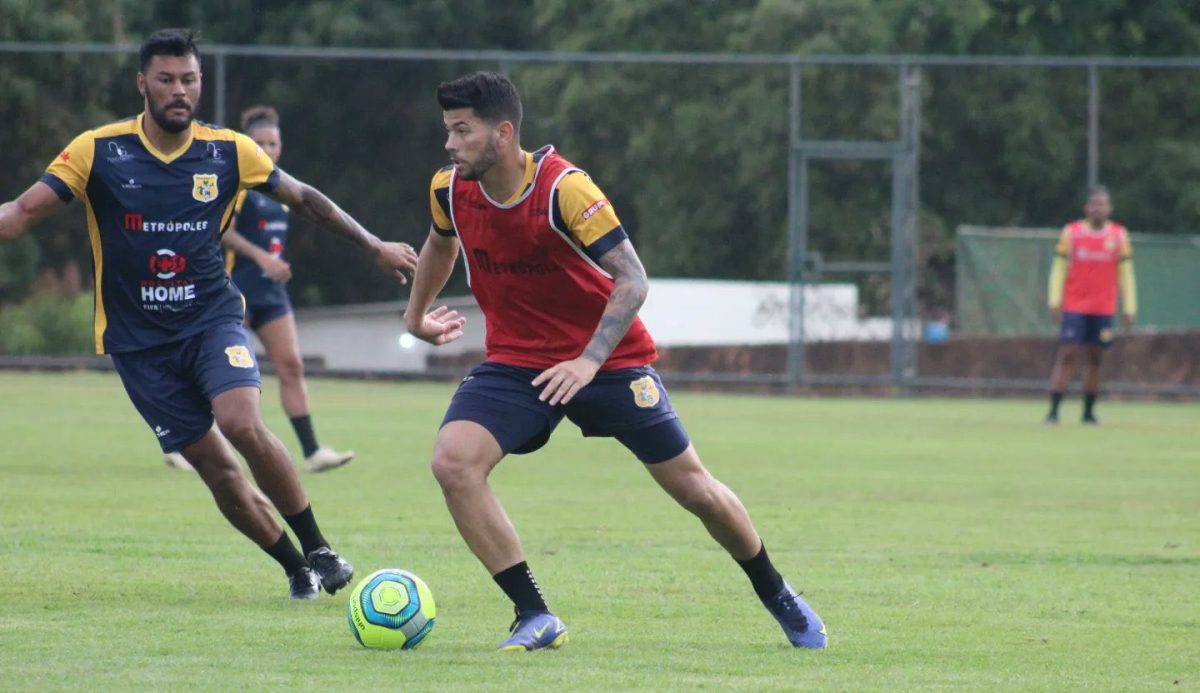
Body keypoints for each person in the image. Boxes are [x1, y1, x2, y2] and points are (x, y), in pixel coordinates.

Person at [404, 72, 826, 651]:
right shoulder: (449, 189)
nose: (450, 144)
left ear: (503, 133)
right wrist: (415, 315)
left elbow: (633, 279)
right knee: (454, 463)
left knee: (695, 490)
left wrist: (586, 360)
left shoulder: (563, 189)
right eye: (447, 130)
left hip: (609, 362)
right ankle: (534, 614)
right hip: (516, 363)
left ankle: (778, 593)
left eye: (462, 130)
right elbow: (439, 243)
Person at [0, 29, 418, 599]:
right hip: (137, 343)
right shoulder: (99, 149)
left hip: (210, 320)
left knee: (242, 422)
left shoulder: (229, 150)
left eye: (190, 80)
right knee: (217, 468)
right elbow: (21, 214)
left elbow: (304, 198)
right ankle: (295, 567)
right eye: (167, 80)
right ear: (141, 83)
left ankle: (319, 547)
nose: (180, 91)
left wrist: (373, 246)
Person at [162, 105, 354, 474]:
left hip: (272, 295)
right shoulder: (240, 186)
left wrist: (274, 265)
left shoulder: (281, 191)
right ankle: (184, 442)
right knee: (215, 367)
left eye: (273, 143)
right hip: (237, 289)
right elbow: (224, 231)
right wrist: (262, 258)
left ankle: (313, 451)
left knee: (292, 366)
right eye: (260, 143)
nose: (267, 149)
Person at [1045, 185, 1137, 424]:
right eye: (1093, 204)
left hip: (1103, 307)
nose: (1097, 209)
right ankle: (1053, 412)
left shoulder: (1118, 236)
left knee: (1096, 358)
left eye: (1102, 205)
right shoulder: (1072, 233)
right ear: (1087, 208)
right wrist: (1054, 300)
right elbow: (1058, 268)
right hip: (1075, 306)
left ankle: (1088, 412)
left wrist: (1129, 307)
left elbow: (1126, 274)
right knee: (1068, 354)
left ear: (1109, 208)